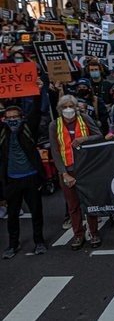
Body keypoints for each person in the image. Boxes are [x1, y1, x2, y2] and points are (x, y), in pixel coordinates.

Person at [49, 95, 103, 250]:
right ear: (60, 109)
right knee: (73, 206)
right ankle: (78, 235)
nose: (68, 110)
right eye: (65, 107)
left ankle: (94, 233)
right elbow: (55, 150)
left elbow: (99, 135)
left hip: (86, 169)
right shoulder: (55, 125)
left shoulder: (84, 118)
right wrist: (64, 173)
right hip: (67, 169)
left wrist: (84, 139)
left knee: (89, 203)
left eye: (70, 106)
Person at [1, 106, 46, 258]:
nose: (13, 120)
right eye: (9, 118)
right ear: (4, 119)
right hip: (12, 179)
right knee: (12, 214)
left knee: (36, 211)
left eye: (15, 117)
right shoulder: (2, 132)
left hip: (31, 176)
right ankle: (13, 244)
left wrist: (38, 93)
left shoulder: (28, 128)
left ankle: (39, 241)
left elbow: (37, 111)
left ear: (22, 117)